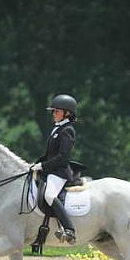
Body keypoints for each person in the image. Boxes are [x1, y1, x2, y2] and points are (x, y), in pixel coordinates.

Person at [31, 94, 78, 244]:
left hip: (59, 172)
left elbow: (62, 157)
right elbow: (49, 154)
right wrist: (35, 164)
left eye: (56, 111)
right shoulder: (57, 129)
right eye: (53, 111)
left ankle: (69, 229)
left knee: (50, 196)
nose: (53, 114)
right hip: (50, 170)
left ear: (67, 113)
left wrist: (43, 166)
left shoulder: (67, 130)